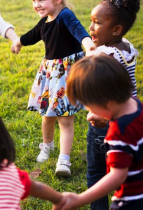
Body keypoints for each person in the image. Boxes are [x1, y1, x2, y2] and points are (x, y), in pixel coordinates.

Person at [11, 0, 95, 177]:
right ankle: (47, 145)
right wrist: (18, 42)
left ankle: (64, 160)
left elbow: (79, 31)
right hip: (50, 75)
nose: (36, 4)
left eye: (41, 0)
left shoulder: (65, 15)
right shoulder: (45, 21)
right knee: (48, 115)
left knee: (65, 118)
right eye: (34, 1)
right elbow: (32, 35)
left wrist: (89, 47)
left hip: (67, 74)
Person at [53, 55, 143, 210]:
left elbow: (117, 176)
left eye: (88, 105)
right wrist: (105, 115)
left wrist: (79, 199)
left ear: (106, 103)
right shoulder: (136, 105)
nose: (88, 111)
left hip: (133, 201)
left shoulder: (119, 133)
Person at [86, 0, 140, 209]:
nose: (90, 28)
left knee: (96, 173)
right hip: (130, 119)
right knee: (123, 170)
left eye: (97, 22)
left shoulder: (104, 55)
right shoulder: (126, 47)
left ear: (116, 29)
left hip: (104, 122)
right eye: (91, 21)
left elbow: (92, 85)